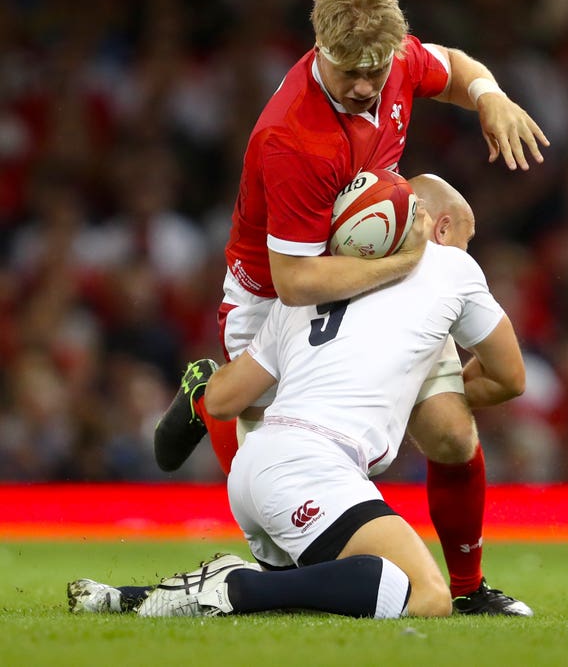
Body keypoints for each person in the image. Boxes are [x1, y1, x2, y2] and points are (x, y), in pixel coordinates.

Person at [154, 0, 549, 613]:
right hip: (275, 298)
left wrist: (489, 95)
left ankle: (469, 591)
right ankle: (209, 398)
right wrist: (406, 266)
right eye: (348, 74)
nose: (366, 86)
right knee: (279, 492)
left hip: (367, 262)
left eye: (375, 70)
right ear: (319, 49)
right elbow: (298, 280)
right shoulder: (291, 137)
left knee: (451, 433)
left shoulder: (388, 58)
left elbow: (449, 64)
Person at [68, 176, 528, 619]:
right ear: (439, 227)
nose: (465, 251)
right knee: (427, 595)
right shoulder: (450, 265)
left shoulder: (306, 289)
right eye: (465, 239)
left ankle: (129, 598)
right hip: (314, 469)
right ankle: (234, 585)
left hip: (254, 470)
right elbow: (511, 378)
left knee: (319, 590)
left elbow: (224, 401)